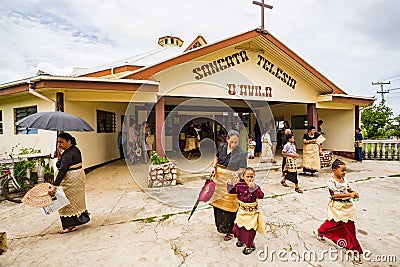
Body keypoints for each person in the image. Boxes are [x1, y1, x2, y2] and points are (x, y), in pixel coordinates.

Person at [315, 159, 363, 264]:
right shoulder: (331, 181)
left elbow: (348, 188)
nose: (344, 172)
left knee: (347, 226)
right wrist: (348, 195)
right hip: (337, 206)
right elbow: (334, 195)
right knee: (334, 224)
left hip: (347, 206)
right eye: (342, 170)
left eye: (345, 170)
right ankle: (353, 249)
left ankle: (351, 248)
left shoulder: (343, 178)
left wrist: (353, 192)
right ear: (334, 170)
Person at [209, 130, 247, 241]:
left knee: (230, 207)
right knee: (218, 205)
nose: (234, 144)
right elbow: (216, 157)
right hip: (219, 179)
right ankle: (221, 227)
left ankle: (230, 230)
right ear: (227, 139)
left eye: (236, 142)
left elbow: (243, 168)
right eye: (231, 142)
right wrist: (213, 167)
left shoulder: (240, 152)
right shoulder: (221, 147)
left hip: (231, 182)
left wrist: (237, 173)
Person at [48, 132, 90, 234]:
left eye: (61, 142)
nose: (59, 144)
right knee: (74, 202)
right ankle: (73, 225)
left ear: (69, 141)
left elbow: (62, 170)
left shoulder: (68, 153)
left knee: (64, 203)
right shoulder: (74, 149)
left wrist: (54, 186)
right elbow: (62, 164)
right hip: (78, 179)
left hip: (70, 181)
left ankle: (68, 226)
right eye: (58, 142)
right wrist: (59, 157)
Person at [227, 167, 264, 255]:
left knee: (249, 231)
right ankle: (241, 240)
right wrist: (230, 184)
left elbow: (261, 195)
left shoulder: (255, 187)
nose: (250, 179)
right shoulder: (240, 186)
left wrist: (254, 188)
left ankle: (250, 245)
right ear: (243, 177)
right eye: (247, 176)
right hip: (241, 212)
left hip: (251, 214)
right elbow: (231, 191)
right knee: (238, 228)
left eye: (252, 177)